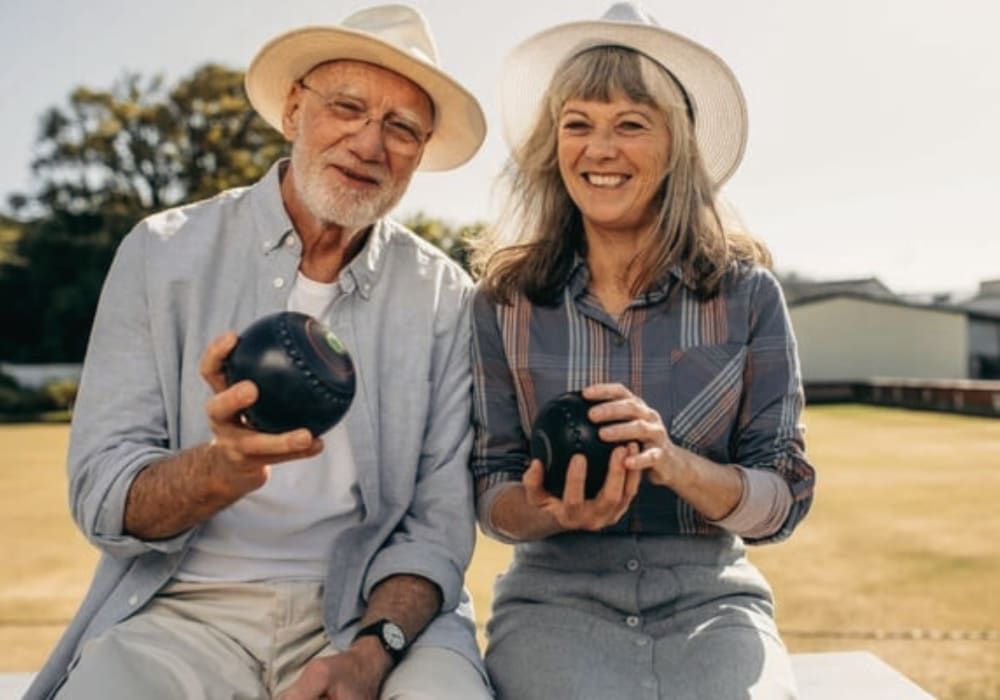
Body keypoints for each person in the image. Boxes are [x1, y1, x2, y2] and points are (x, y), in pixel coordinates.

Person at [27, 5, 493, 700]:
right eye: (347, 108)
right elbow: (103, 498)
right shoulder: (161, 252)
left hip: (372, 615)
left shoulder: (447, 297)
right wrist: (220, 469)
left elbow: (438, 524)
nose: (370, 144)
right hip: (182, 610)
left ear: (420, 153)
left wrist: (371, 654)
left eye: (401, 128)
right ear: (293, 111)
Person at [469, 3, 816, 699]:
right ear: (553, 144)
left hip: (710, 601)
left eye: (631, 123)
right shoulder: (504, 301)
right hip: (551, 602)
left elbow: (785, 498)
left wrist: (677, 464)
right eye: (578, 125)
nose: (600, 149)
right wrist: (550, 511)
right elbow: (490, 488)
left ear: (676, 146)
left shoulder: (747, 296)